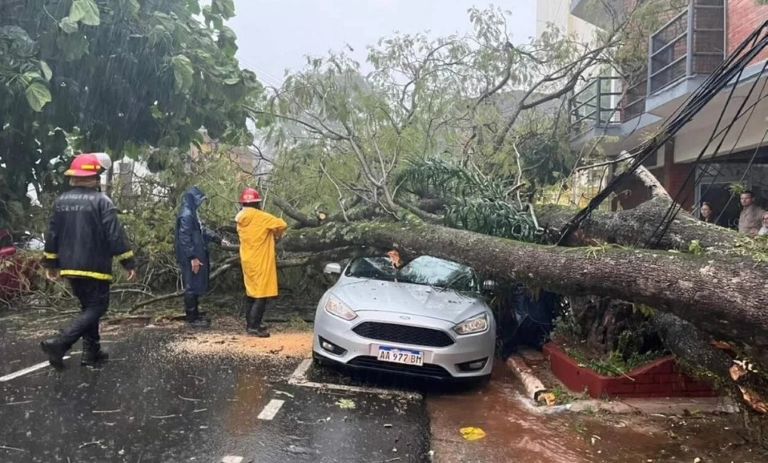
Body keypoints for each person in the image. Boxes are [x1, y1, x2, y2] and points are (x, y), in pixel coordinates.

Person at [40, 153, 136, 368]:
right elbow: (115, 235)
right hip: (96, 267)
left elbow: (52, 234)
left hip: (70, 267)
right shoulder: (102, 201)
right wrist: (127, 261)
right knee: (98, 308)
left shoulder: (61, 202)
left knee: (88, 308)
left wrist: (51, 263)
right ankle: (61, 342)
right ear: (94, 178)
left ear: (74, 177)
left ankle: (91, 353)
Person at [235, 188, 287, 337]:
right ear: (257, 203)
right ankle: (253, 327)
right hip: (261, 260)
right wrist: (276, 234)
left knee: (251, 292)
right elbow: (282, 224)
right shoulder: (261, 217)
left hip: (247, 260)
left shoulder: (240, 218)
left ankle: (251, 323)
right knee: (261, 294)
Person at [175, 186, 228, 328]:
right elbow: (184, 238)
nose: (201, 203)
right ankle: (192, 319)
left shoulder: (193, 213)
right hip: (190, 257)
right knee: (191, 286)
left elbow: (202, 231)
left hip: (197, 254)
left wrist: (218, 239)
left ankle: (196, 314)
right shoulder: (187, 215)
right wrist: (192, 257)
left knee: (196, 284)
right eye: (199, 200)